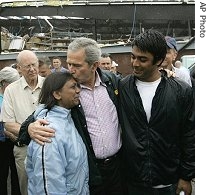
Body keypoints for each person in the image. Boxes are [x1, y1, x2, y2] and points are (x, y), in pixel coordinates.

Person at [18, 37, 125, 195]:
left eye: (76, 65)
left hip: (118, 168)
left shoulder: (112, 83)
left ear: (94, 65)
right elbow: (34, 120)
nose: (70, 69)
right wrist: (30, 128)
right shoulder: (68, 90)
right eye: (69, 63)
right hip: (90, 170)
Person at [118, 30, 195, 195]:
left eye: (142, 59)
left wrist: (186, 176)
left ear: (159, 61)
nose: (135, 63)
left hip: (170, 181)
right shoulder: (122, 87)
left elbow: (190, 134)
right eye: (133, 57)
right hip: (133, 182)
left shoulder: (181, 91)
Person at [26, 72, 89, 195]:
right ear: (57, 94)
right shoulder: (48, 132)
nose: (78, 91)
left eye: (78, 86)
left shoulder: (67, 118)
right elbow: (50, 188)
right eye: (72, 87)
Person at [1, 50, 45, 195]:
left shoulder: (49, 85)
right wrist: (30, 130)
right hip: (24, 148)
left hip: (48, 145)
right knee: (26, 189)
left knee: (50, 186)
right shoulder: (11, 91)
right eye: (27, 66)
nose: (32, 69)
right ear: (19, 68)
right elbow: (8, 123)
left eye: (34, 64)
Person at [0, 67, 21, 195]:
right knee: (2, 174)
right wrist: (7, 133)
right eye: (12, 82)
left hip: (15, 140)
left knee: (16, 174)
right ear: (3, 82)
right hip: (2, 142)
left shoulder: (14, 95)